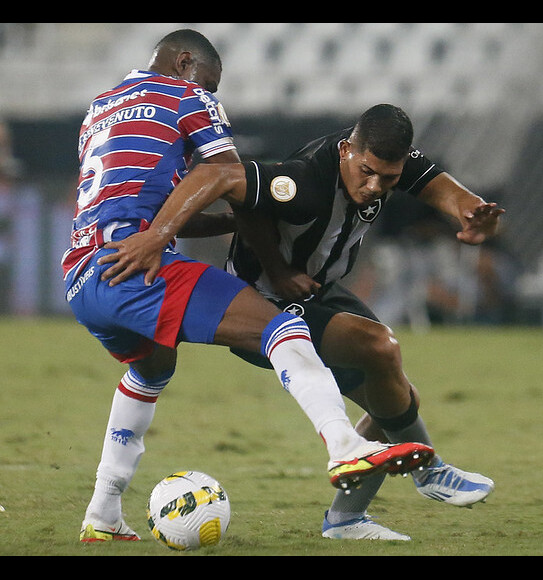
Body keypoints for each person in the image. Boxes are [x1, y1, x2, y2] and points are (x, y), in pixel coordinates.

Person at [63, 31, 433, 543]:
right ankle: (345, 444)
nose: (213, 94)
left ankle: (103, 512)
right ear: (186, 62)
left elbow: (122, 205)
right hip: (138, 268)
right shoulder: (187, 95)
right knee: (280, 326)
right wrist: (159, 238)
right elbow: (223, 171)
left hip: (85, 274)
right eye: (212, 83)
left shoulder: (100, 109)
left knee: (151, 368)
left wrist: (206, 227)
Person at [102, 104, 503, 542]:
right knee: (380, 347)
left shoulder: (384, 162)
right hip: (264, 303)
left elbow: (438, 187)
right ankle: (430, 471)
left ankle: (346, 521)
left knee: (396, 402)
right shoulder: (304, 180)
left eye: (388, 179)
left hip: (317, 289)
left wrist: (472, 209)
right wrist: (163, 240)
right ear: (348, 149)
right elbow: (218, 178)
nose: (375, 187)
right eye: (367, 172)